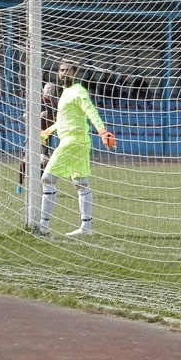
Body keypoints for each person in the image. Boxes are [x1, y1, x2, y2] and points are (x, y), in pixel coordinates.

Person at [34, 62, 116, 236]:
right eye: (61, 70)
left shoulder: (78, 91)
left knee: (47, 179)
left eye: (68, 70)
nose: (64, 73)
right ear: (58, 73)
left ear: (75, 73)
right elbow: (64, 120)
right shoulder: (65, 93)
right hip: (79, 142)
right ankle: (86, 227)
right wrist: (48, 131)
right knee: (81, 183)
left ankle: (43, 226)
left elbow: (90, 110)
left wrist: (102, 131)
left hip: (72, 141)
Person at [17, 82, 60, 194]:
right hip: (33, 134)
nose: (50, 90)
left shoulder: (55, 104)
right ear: (43, 89)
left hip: (46, 136)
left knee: (44, 160)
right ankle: (20, 184)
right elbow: (25, 116)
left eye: (53, 89)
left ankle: (38, 184)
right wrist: (39, 115)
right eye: (48, 88)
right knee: (26, 160)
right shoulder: (37, 101)